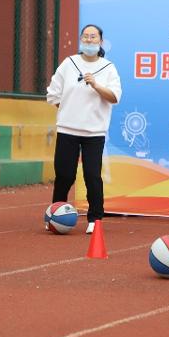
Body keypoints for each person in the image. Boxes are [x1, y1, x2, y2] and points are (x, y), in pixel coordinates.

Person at [46, 24, 122, 234]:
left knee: (92, 175)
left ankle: (95, 219)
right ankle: (55, 214)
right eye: (85, 37)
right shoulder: (69, 64)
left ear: (101, 42)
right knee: (64, 174)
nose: (89, 40)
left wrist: (96, 85)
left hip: (94, 132)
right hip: (68, 129)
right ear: (81, 40)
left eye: (93, 37)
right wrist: (68, 110)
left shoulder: (108, 68)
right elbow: (53, 94)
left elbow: (115, 97)